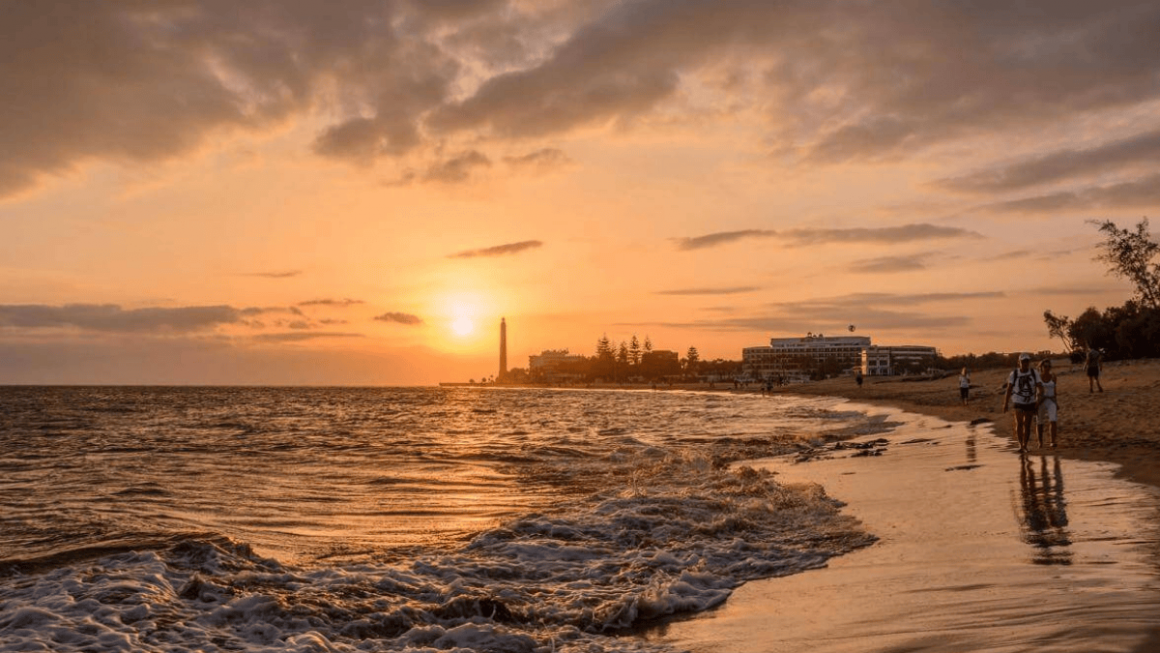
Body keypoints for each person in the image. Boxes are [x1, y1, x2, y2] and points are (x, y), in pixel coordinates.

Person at [1003, 353, 1043, 453]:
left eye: (1027, 361)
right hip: (1018, 402)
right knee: (1019, 423)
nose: (1025, 363)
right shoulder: (1014, 374)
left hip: (1030, 402)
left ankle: (1025, 445)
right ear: (1019, 362)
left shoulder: (1034, 373)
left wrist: (1038, 401)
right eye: (1023, 361)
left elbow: (1040, 387)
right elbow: (1009, 389)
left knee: (1027, 425)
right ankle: (1021, 445)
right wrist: (1006, 403)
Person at [1036, 359, 1059, 448]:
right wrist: (1035, 402)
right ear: (1041, 367)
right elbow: (1035, 391)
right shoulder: (1038, 377)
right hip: (1041, 401)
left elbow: (1055, 390)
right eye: (1045, 366)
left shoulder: (1053, 376)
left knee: (1053, 420)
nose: (1047, 368)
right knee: (1040, 422)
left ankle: (1052, 441)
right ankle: (1040, 442)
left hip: (1051, 400)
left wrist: (1056, 402)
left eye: (1049, 366)